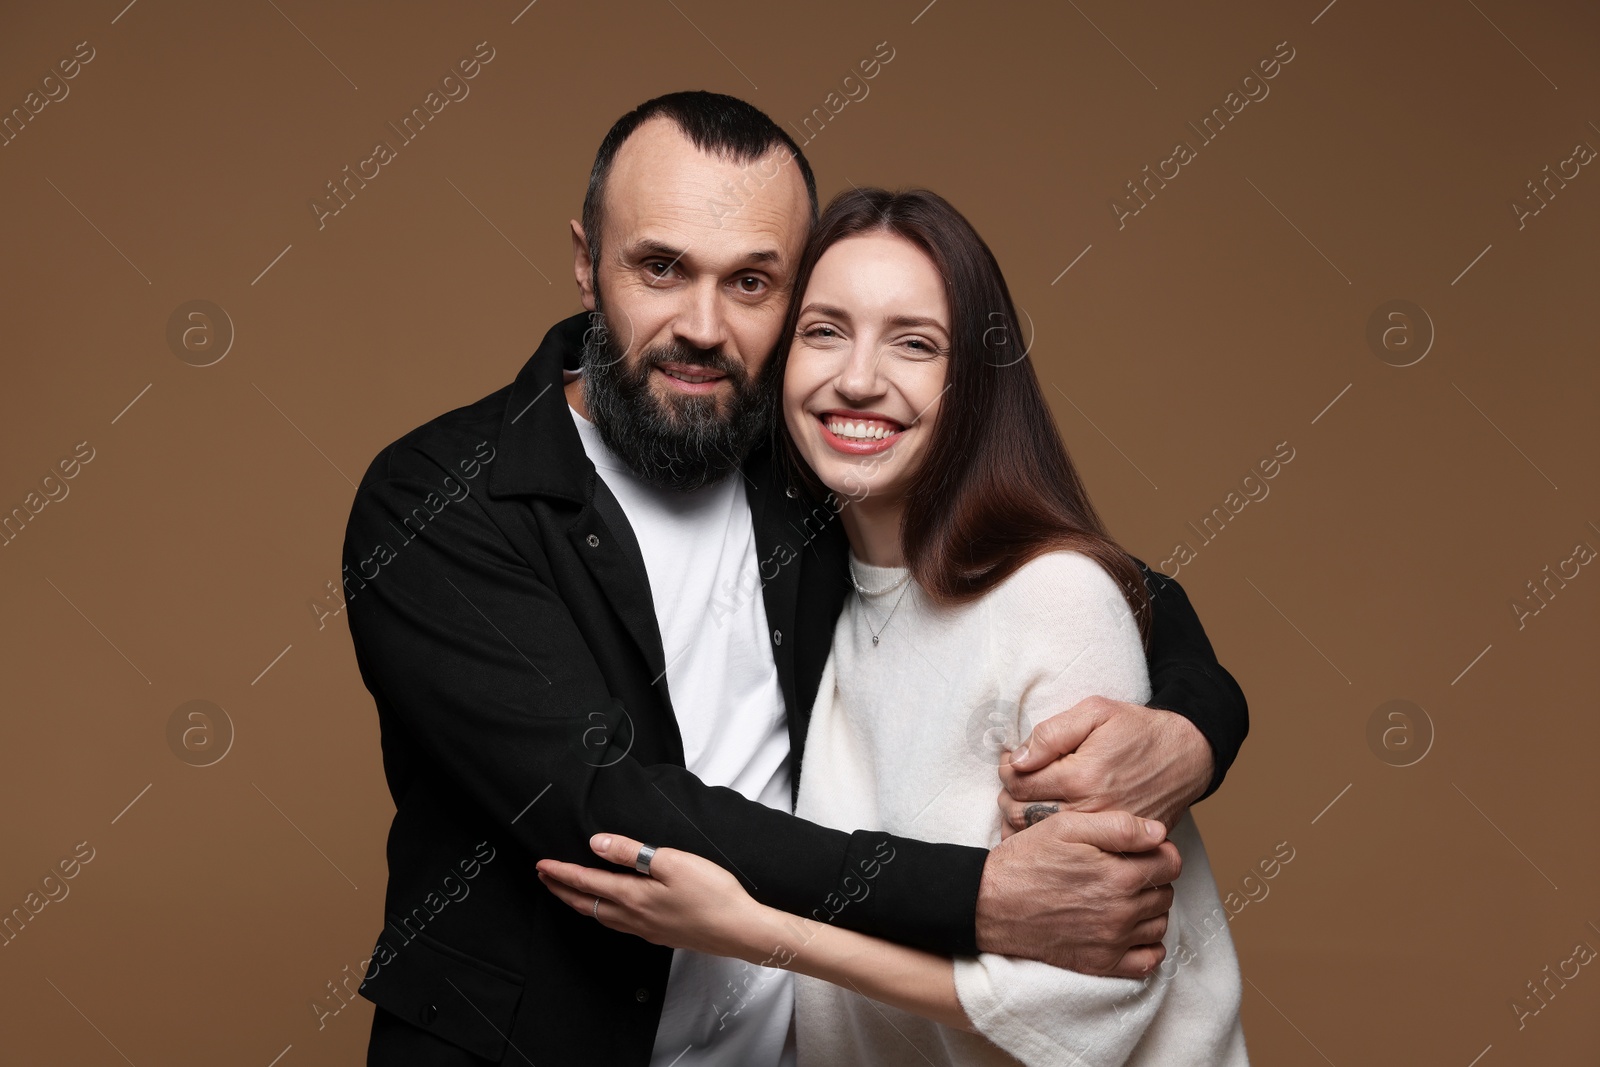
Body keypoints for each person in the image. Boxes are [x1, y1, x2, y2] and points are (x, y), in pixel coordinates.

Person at [343, 91, 1248, 1065]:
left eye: (750, 282)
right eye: (659, 267)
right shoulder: (444, 495)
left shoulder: (818, 459)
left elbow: (1084, 577)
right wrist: (980, 895)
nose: (701, 324)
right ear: (583, 261)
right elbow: (600, 802)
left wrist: (1195, 729)